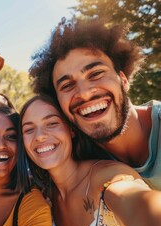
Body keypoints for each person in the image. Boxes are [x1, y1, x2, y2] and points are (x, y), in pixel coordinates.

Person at [30, 18, 161, 189]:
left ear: (123, 79)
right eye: (67, 85)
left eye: (96, 74)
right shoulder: (73, 157)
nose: (84, 93)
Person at [19, 94, 161, 226]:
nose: (39, 136)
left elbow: (140, 208)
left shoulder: (107, 177)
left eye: (52, 123)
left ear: (71, 130)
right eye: (29, 130)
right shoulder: (43, 198)